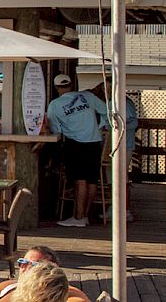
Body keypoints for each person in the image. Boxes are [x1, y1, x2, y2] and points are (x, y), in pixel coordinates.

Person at [41, 74, 107, 228]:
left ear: (57, 88)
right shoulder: (88, 96)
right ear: (71, 84)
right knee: (91, 180)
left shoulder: (55, 105)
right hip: (94, 141)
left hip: (76, 143)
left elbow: (55, 129)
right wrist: (101, 126)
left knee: (80, 180)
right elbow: (106, 110)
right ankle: (84, 214)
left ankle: (78, 216)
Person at [0, 246, 90, 302]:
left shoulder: (64, 292)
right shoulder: (8, 285)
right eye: (23, 262)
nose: (25, 267)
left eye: (34, 265)